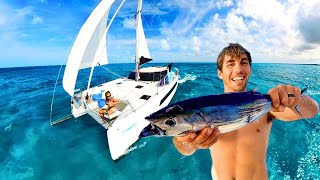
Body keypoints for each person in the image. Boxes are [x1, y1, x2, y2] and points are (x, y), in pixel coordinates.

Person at [172, 43, 319, 180]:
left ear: (250, 69)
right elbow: (184, 149)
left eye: (244, 62)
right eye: (230, 64)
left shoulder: (267, 107)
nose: (238, 69)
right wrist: (190, 143)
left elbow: (312, 110)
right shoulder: (204, 112)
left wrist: (295, 99)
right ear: (220, 73)